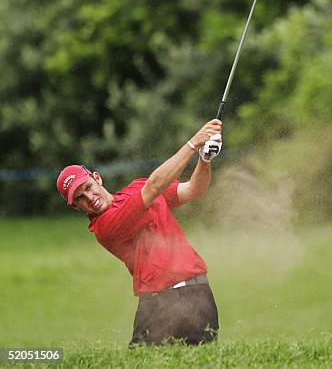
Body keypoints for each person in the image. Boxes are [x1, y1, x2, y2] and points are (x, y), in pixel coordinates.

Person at [56, 119, 223, 346]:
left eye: (87, 188)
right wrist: (194, 143)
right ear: (75, 207)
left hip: (199, 294)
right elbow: (154, 187)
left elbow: (193, 190)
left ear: (97, 178)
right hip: (158, 304)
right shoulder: (104, 227)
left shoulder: (136, 188)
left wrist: (205, 160)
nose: (89, 198)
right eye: (79, 199)